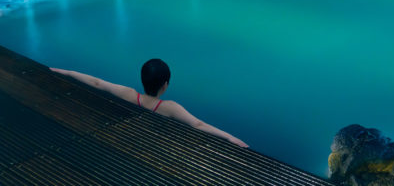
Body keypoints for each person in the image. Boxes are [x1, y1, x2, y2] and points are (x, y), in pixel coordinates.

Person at [50, 58, 248, 148]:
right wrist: (229, 137)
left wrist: (64, 72)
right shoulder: (169, 107)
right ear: (165, 85)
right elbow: (197, 124)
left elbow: (96, 82)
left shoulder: (127, 94)